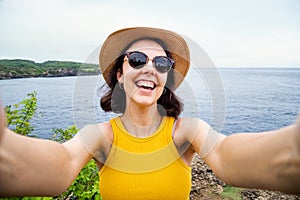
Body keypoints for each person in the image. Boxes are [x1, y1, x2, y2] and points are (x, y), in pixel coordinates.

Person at [0, 27, 299, 199]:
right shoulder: (100, 138)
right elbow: (60, 166)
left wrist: (293, 147)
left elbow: (226, 156)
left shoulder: (186, 132)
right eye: (138, 59)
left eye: (161, 64)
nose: (149, 69)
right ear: (119, 73)